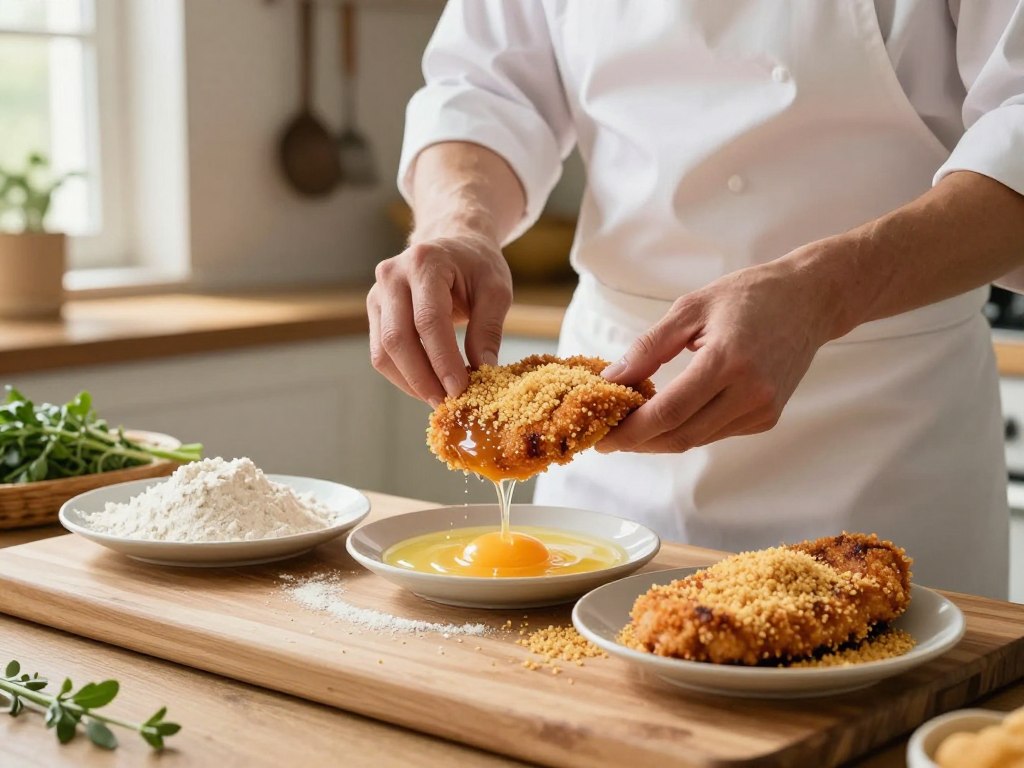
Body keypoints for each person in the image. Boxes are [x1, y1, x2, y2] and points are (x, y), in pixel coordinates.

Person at [367, 2, 1024, 599]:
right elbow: (484, 88)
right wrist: (457, 224)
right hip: (614, 460)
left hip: (886, 440)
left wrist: (827, 291)